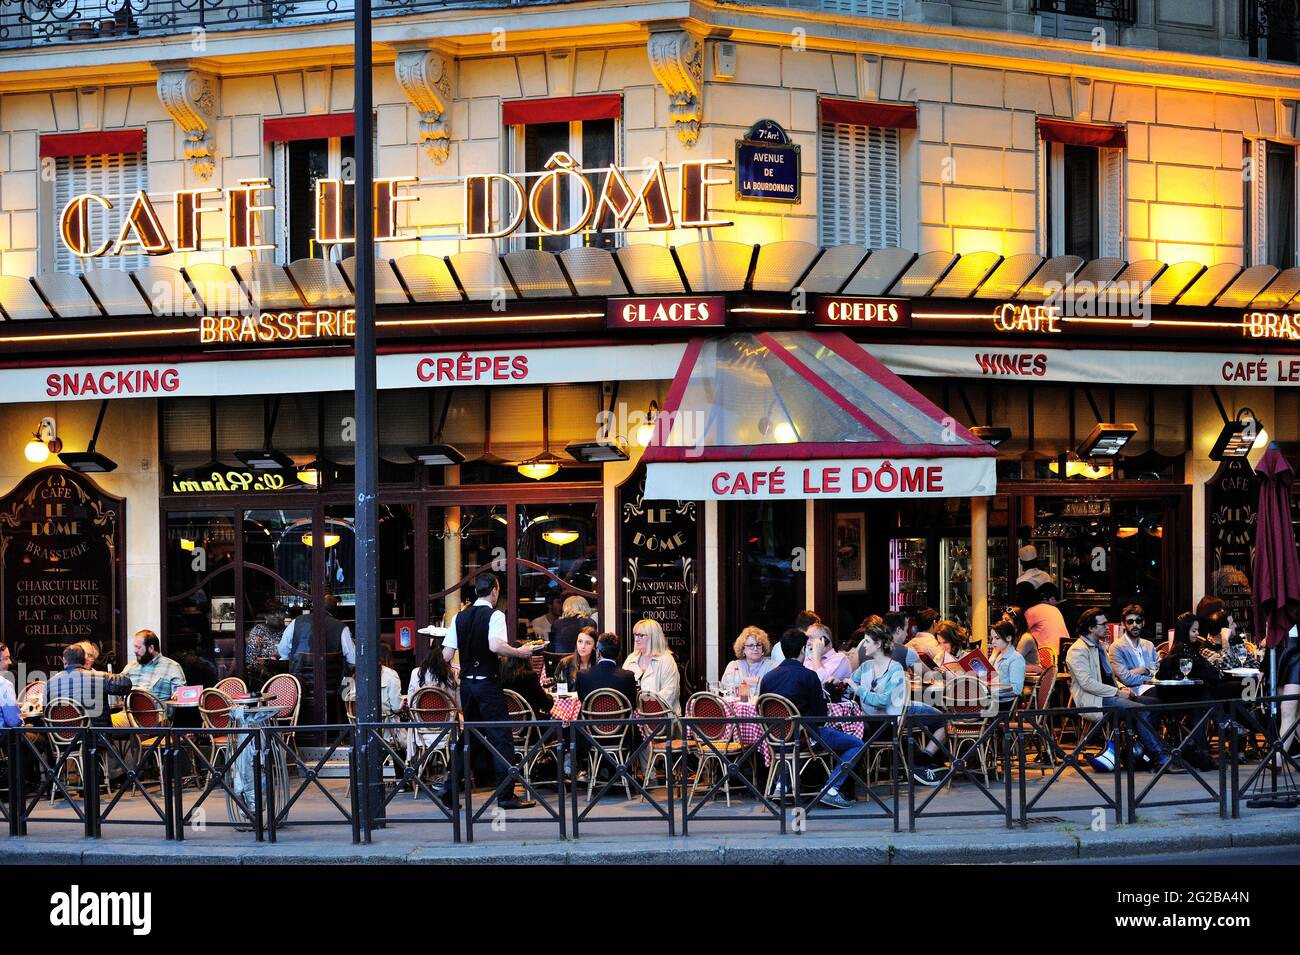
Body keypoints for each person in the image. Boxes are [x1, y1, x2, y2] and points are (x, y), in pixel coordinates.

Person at [436, 572, 537, 809]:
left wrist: (458, 672)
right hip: (487, 684)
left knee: (469, 737)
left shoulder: (459, 617)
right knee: (501, 738)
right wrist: (520, 652)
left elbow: (446, 655)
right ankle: (506, 796)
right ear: (494, 590)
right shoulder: (495, 615)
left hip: (468, 686)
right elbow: (495, 645)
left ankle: (449, 790)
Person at [759, 627, 865, 809]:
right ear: (802, 650)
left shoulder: (768, 678)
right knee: (856, 744)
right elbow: (821, 716)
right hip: (805, 737)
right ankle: (831, 789)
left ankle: (781, 786)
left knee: (789, 742)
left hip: (776, 738)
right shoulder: (809, 676)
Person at [1065, 608, 1169, 769]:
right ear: (1091, 628)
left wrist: (1122, 688)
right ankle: (1161, 758)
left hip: (1111, 695)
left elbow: (1110, 677)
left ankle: (1140, 750)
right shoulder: (1078, 650)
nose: (1107, 627)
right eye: (1103, 624)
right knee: (1140, 711)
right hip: (1095, 700)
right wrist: (1117, 691)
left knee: (1156, 704)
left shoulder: (1099, 646)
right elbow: (1087, 683)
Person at [44, 645, 133, 727]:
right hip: (97, 739)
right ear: (84, 659)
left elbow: (46, 712)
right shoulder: (99, 677)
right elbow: (126, 684)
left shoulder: (49, 684)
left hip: (64, 740)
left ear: (64, 660)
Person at [278, 594, 355, 671]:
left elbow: (283, 650)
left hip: (299, 679)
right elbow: (353, 659)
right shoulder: (341, 627)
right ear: (335, 609)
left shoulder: (296, 622)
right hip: (331, 680)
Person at [623, 618, 681, 713]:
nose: (636, 639)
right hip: (634, 719)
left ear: (653, 637)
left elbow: (669, 695)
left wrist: (643, 709)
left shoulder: (666, 660)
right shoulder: (631, 658)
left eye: (641, 635)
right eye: (635, 635)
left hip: (661, 719)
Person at [121, 630, 186, 703]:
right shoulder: (130, 666)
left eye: (138, 647)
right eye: (135, 647)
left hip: (156, 713)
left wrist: (178, 695)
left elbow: (182, 695)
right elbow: (117, 688)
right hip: (126, 713)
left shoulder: (172, 667)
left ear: (151, 648)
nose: (135, 651)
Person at [1108, 603, 1159, 695]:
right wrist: (1147, 673)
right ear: (1123, 624)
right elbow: (1126, 679)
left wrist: (1141, 671)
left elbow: (1159, 671)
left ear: (1143, 623)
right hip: (1134, 691)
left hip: (1155, 687)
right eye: (1130, 622)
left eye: (1138, 621)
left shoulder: (1149, 645)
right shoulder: (1116, 647)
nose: (1134, 625)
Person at [576, 633, 639, 703]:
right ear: (619, 654)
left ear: (598, 653)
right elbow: (633, 704)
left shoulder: (583, 675)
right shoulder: (628, 676)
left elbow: (582, 701)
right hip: (619, 714)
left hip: (591, 714)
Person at [721, 626, 776, 691]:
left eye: (758, 645)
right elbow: (725, 687)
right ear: (743, 649)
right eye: (751, 645)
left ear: (763, 647)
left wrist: (742, 680)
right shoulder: (733, 665)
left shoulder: (772, 665)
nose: (755, 649)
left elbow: (773, 685)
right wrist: (758, 681)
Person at [989, 621, 1026, 713]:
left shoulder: (1016, 658)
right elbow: (992, 679)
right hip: (993, 700)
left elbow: (1016, 689)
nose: (993, 642)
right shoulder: (997, 656)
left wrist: (991, 691)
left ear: (1009, 638)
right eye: (992, 638)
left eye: (997, 638)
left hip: (1004, 703)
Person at [1024, 583, 1069, 659]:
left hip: (1045, 655)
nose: (1056, 602)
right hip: (1063, 652)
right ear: (1047, 599)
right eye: (1055, 599)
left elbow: (1021, 631)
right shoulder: (1056, 610)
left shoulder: (1032, 611)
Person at [0, 642, 21, 728]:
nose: (10, 662)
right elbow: (14, 722)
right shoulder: (4, 685)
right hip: (3, 739)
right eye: (6, 658)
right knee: (41, 740)